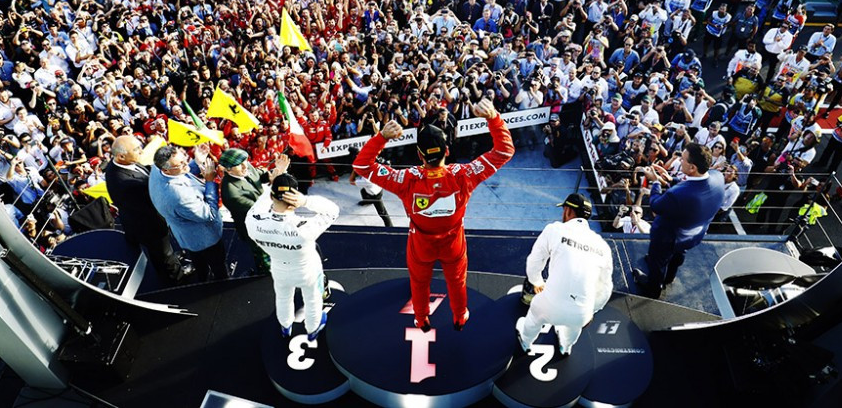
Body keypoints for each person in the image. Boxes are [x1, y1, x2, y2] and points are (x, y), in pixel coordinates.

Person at [352, 99, 514, 331]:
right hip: (453, 243)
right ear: (447, 150)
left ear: (419, 155)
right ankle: (460, 316)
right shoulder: (463, 175)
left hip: (420, 244)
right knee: (457, 282)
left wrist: (382, 138)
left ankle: (421, 318)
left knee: (419, 284)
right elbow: (504, 150)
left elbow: (362, 166)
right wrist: (493, 118)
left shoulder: (406, 179)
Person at [516, 193, 613, 357]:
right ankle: (566, 346)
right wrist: (591, 310)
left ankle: (526, 341)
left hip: (549, 306)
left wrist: (537, 282)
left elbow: (534, 262)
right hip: (581, 314)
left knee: (534, 314)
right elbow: (605, 288)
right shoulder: (603, 246)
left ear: (568, 211)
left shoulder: (554, 229)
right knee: (574, 326)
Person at [246, 173, 339, 340]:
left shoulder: (253, 221)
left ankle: (285, 326)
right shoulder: (305, 227)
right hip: (308, 271)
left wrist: (273, 182)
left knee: (283, 298)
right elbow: (333, 210)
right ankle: (312, 330)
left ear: (271, 195)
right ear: (294, 199)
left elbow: (261, 202)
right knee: (313, 301)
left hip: (279, 269)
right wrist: (306, 201)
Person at [631, 143, 726, 299]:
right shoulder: (718, 177)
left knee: (657, 263)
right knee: (678, 255)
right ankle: (669, 278)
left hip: (667, 239)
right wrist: (670, 180)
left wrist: (655, 182)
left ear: (692, 168)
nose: (679, 161)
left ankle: (653, 288)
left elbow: (656, 205)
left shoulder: (678, 195)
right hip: (692, 235)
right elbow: (691, 188)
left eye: (683, 159)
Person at [105, 135, 188, 283]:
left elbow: (146, 172)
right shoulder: (126, 183)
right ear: (121, 155)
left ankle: (169, 261)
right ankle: (176, 276)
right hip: (149, 225)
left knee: (161, 251)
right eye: (136, 149)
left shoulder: (120, 164)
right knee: (163, 253)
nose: (141, 151)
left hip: (138, 218)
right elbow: (155, 194)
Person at [149, 143, 229, 282]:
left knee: (199, 261)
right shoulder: (178, 195)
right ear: (166, 170)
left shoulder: (157, 170)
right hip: (205, 238)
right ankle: (222, 284)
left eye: (185, 159)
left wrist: (196, 161)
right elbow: (209, 214)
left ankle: (202, 277)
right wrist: (210, 182)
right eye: (181, 163)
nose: (186, 164)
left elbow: (181, 172)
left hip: (187, 236)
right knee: (218, 265)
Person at [220, 149, 289, 277]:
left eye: (245, 161)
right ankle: (265, 275)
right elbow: (258, 210)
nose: (245, 165)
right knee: (263, 254)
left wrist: (276, 171)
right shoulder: (231, 193)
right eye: (239, 165)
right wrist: (276, 180)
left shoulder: (245, 167)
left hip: (267, 221)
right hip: (255, 229)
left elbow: (260, 175)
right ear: (228, 170)